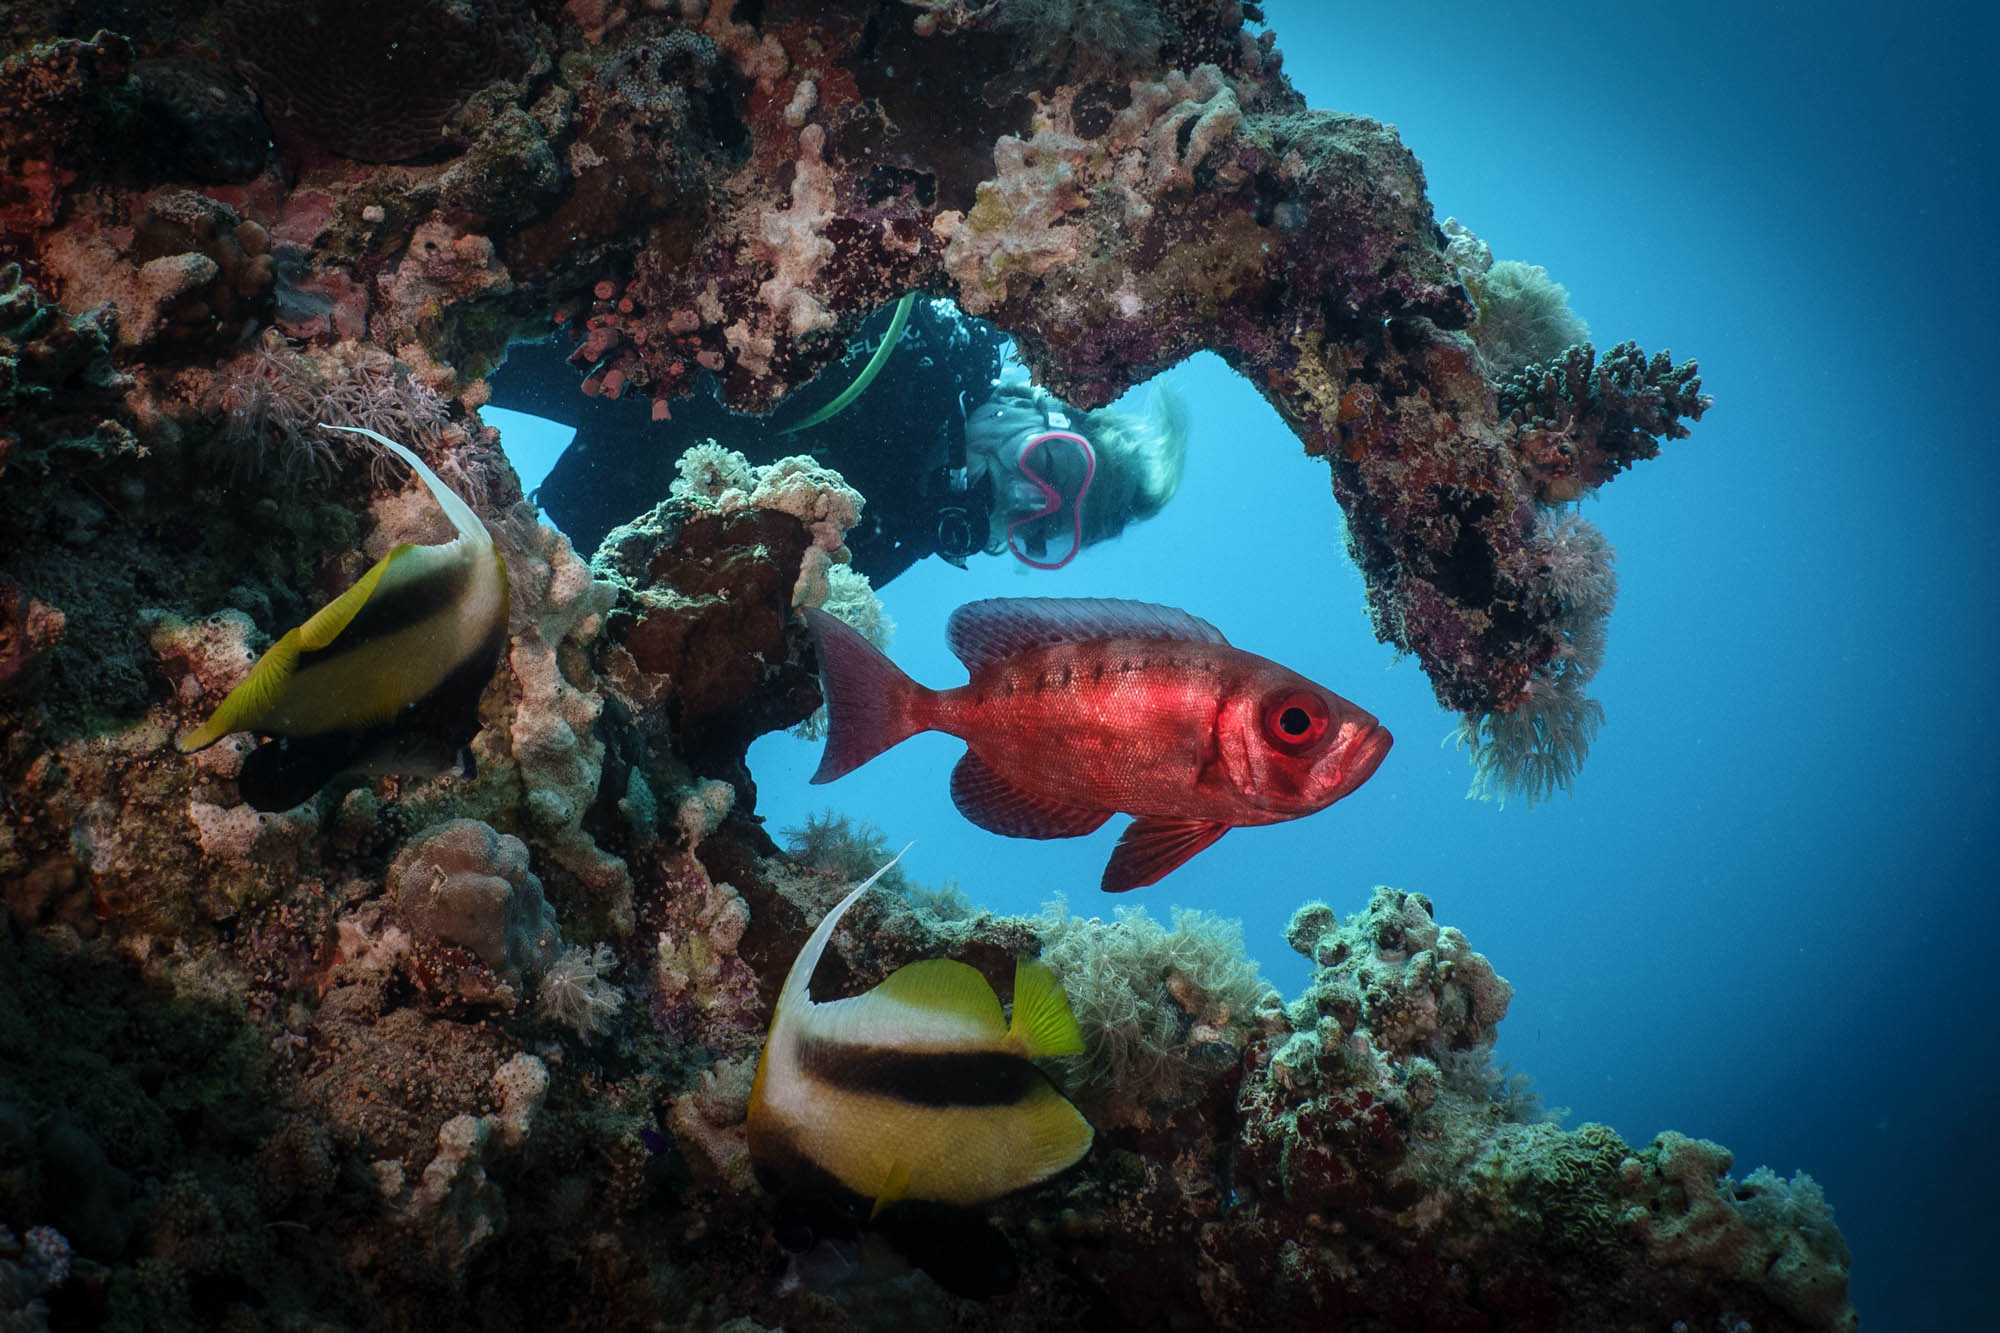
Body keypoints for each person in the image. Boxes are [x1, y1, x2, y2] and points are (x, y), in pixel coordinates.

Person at [490, 297, 1189, 586]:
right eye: (1056, 466)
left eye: (1039, 533)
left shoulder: (898, 539)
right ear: (1043, 402)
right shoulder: (927, 343)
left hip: (611, 470)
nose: (1018, 490)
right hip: (616, 350)